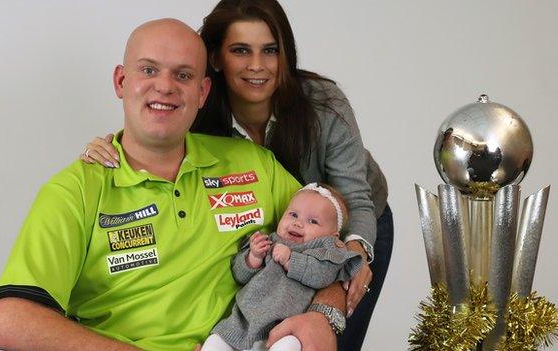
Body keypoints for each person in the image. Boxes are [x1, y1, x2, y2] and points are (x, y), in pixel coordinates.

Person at [83, 1, 394, 349]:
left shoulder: (323, 104)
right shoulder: (199, 112)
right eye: (241, 50)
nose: (257, 65)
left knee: (324, 336)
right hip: (273, 236)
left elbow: (355, 197)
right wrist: (114, 144)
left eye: (270, 50)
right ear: (215, 58)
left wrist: (353, 254)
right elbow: (154, 131)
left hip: (354, 222)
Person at [0, 18, 308, 351]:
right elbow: (11, 319)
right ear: (121, 81)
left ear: (202, 93)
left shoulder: (253, 164)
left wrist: (323, 315)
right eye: (149, 71)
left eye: (183, 75)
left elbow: (331, 233)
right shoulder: (74, 191)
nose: (165, 87)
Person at [202, 183, 362, 351]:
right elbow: (240, 276)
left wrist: (291, 260)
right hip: (242, 324)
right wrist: (253, 258)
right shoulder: (269, 242)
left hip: (284, 329)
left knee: (289, 346)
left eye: (312, 221)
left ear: (332, 236)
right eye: (293, 214)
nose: (298, 224)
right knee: (215, 341)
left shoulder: (325, 254)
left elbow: (323, 276)